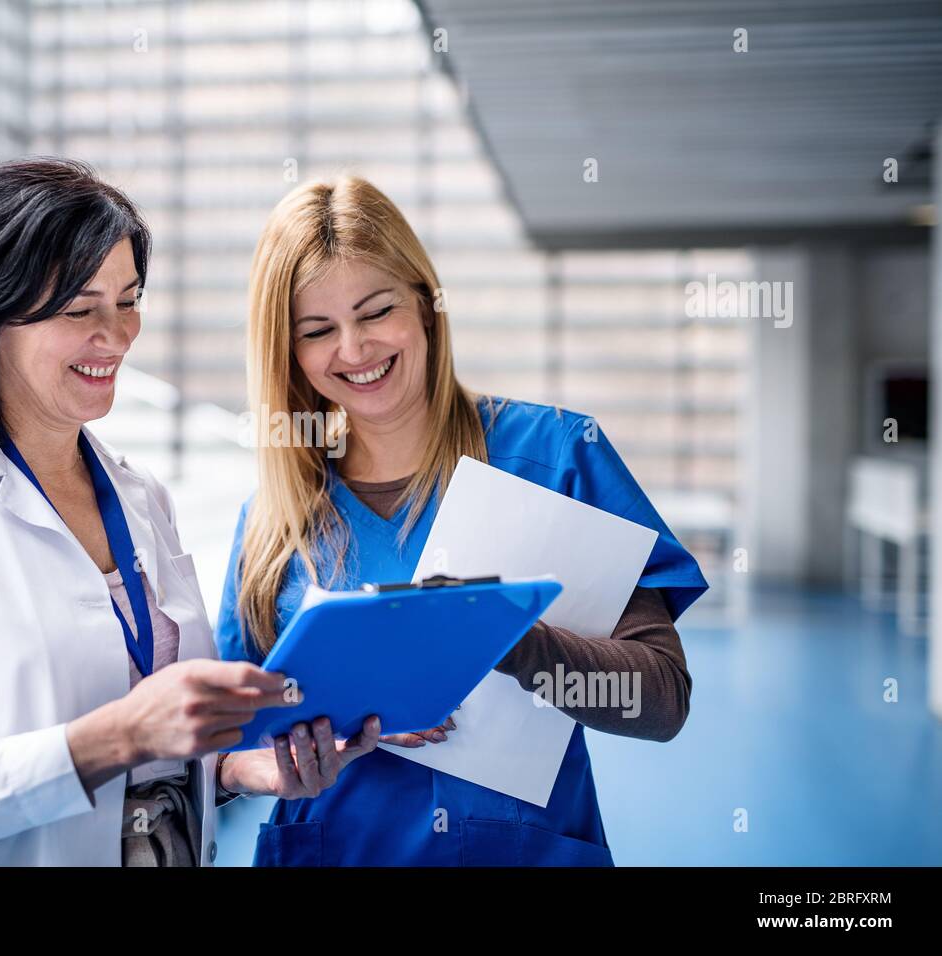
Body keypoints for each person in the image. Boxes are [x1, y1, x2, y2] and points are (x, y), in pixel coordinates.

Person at [0, 157, 379, 867]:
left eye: (130, 299)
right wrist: (118, 736)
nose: (117, 336)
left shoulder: (139, 495)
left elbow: (159, 754)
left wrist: (241, 770)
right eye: (81, 309)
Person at [214, 176, 708, 866]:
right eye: (318, 330)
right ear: (289, 353)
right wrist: (258, 765)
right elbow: (219, 745)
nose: (354, 349)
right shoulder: (275, 522)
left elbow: (660, 700)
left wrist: (510, 638)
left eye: (376, 311)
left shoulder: (554, 457)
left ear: (425, 302)